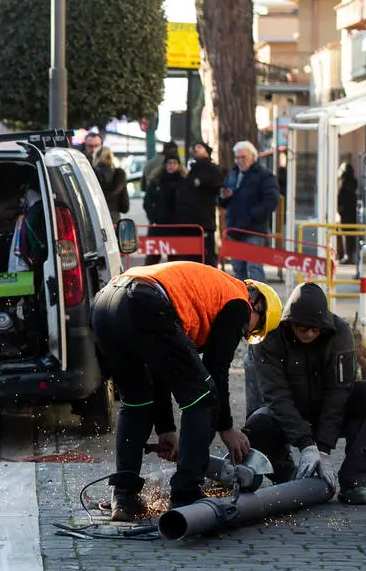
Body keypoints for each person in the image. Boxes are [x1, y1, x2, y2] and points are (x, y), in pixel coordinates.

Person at [90, 261, 282, 520]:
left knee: (136, 401)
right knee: (203, 397)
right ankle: (186, 492)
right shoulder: (238, 302)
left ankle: (124, 497)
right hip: (143, 301)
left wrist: (166, 429)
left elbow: (161, 370)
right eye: (255, 328)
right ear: (257, 305)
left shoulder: (205, 295)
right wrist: (226, 428)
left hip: (105, 304)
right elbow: (216, 369)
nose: (247, 333)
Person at [244, 282, 366, 505]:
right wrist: (306, 445)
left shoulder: (340, 333)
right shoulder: (271, 337)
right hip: (286, 414)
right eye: (303, 328)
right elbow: (276, 395)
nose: (310, 333)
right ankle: (287, 476)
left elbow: (339, 393)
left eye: (315, 329)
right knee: (257, 424)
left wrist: (324, 449)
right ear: (290, 324)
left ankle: (354, 481)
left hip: (326, 412)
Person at [218, 141, 280, 282]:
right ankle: (242, 300)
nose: (240, 161)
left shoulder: (264, 175)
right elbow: (223, 201)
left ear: (253, 157)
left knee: (254, 267)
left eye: (243, 157)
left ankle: (259, 300)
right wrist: (223, 197)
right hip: (234, 228)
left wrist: (253, 215)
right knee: (237, 268)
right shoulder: (233, 174)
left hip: (253, 229)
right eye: (237, 158)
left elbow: (271, 200)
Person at [178, 142, 223, 265]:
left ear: (206, 151)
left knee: (206, 257)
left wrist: (202, 181)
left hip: (204, 222)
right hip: (190, 222)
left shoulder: (212, 169)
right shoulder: (193, 170)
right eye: (194, 147)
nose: (195, 150)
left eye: (199, 147)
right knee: (191, 259)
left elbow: (218, 184)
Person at [143, 153, 186, 264]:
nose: (171, 165)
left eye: (174, 163)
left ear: (179, 165)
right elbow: (147, 201)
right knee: (152, 260)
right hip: (159, 225)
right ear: (165, 165)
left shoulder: (184, 181)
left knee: (175, 260)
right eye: (169, 163)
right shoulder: (156, 180)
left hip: (177, 227)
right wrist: (153, 218)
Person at [92, 146, 130, 222]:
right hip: (113, 220)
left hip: (95, 219)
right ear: (111, 157)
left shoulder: (90, 175)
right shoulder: (119, 176)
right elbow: (125, 207)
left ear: (95, 157)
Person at [337, 161, 360, 264]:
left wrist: (338, 209)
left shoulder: (343, 182)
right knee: (351, 235)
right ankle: (351, 255)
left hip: (345, 212)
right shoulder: (354, 182)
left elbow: (340, 197)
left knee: (345, 235)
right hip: (353, 212)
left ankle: (347, 255)